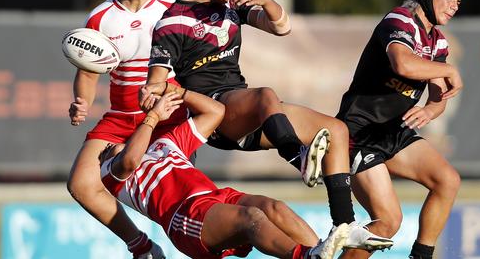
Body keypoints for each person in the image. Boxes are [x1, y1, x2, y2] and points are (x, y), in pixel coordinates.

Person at [142, 0, 393, 252]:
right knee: (265, 96)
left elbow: (281, 27)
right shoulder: (173, 21)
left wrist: (267, 1)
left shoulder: (231, 8)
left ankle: (344, 224)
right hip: (217, 114)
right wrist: (152, 91)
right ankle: (298, 156)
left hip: (248, 110)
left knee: (337, 130)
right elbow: (157, 78)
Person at [101, 84, 355, 259]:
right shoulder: (111, 173)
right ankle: (306, 256)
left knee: (273, 207)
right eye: (105, 150)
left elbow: (216, 111)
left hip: (218, 196)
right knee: (251, 218)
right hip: (185, 214)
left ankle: (320, 252)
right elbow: (131, 160)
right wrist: (153, 117)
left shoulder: (164, 144)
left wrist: (174, 91)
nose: (108, 147)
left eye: (109, 144)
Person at [336, 0, 464, 259]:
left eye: (459, 1)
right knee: (388, 222)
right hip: (359, 133)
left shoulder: (437, 41)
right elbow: (403, 65)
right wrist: (449, 70)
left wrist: (431, 110)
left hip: (394, 131)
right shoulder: (399, 20)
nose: (455, 5)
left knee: (447, 180)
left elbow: (438, 94)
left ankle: (421, 257)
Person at [66, 0, 182, 258]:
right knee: (81, 184)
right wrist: (82, 102)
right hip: (119, 118)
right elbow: (87, 73)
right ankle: (142, 247)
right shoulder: (101, 17)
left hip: (165, 118)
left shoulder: (172, 10)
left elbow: (189, 67)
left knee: (171, 197)